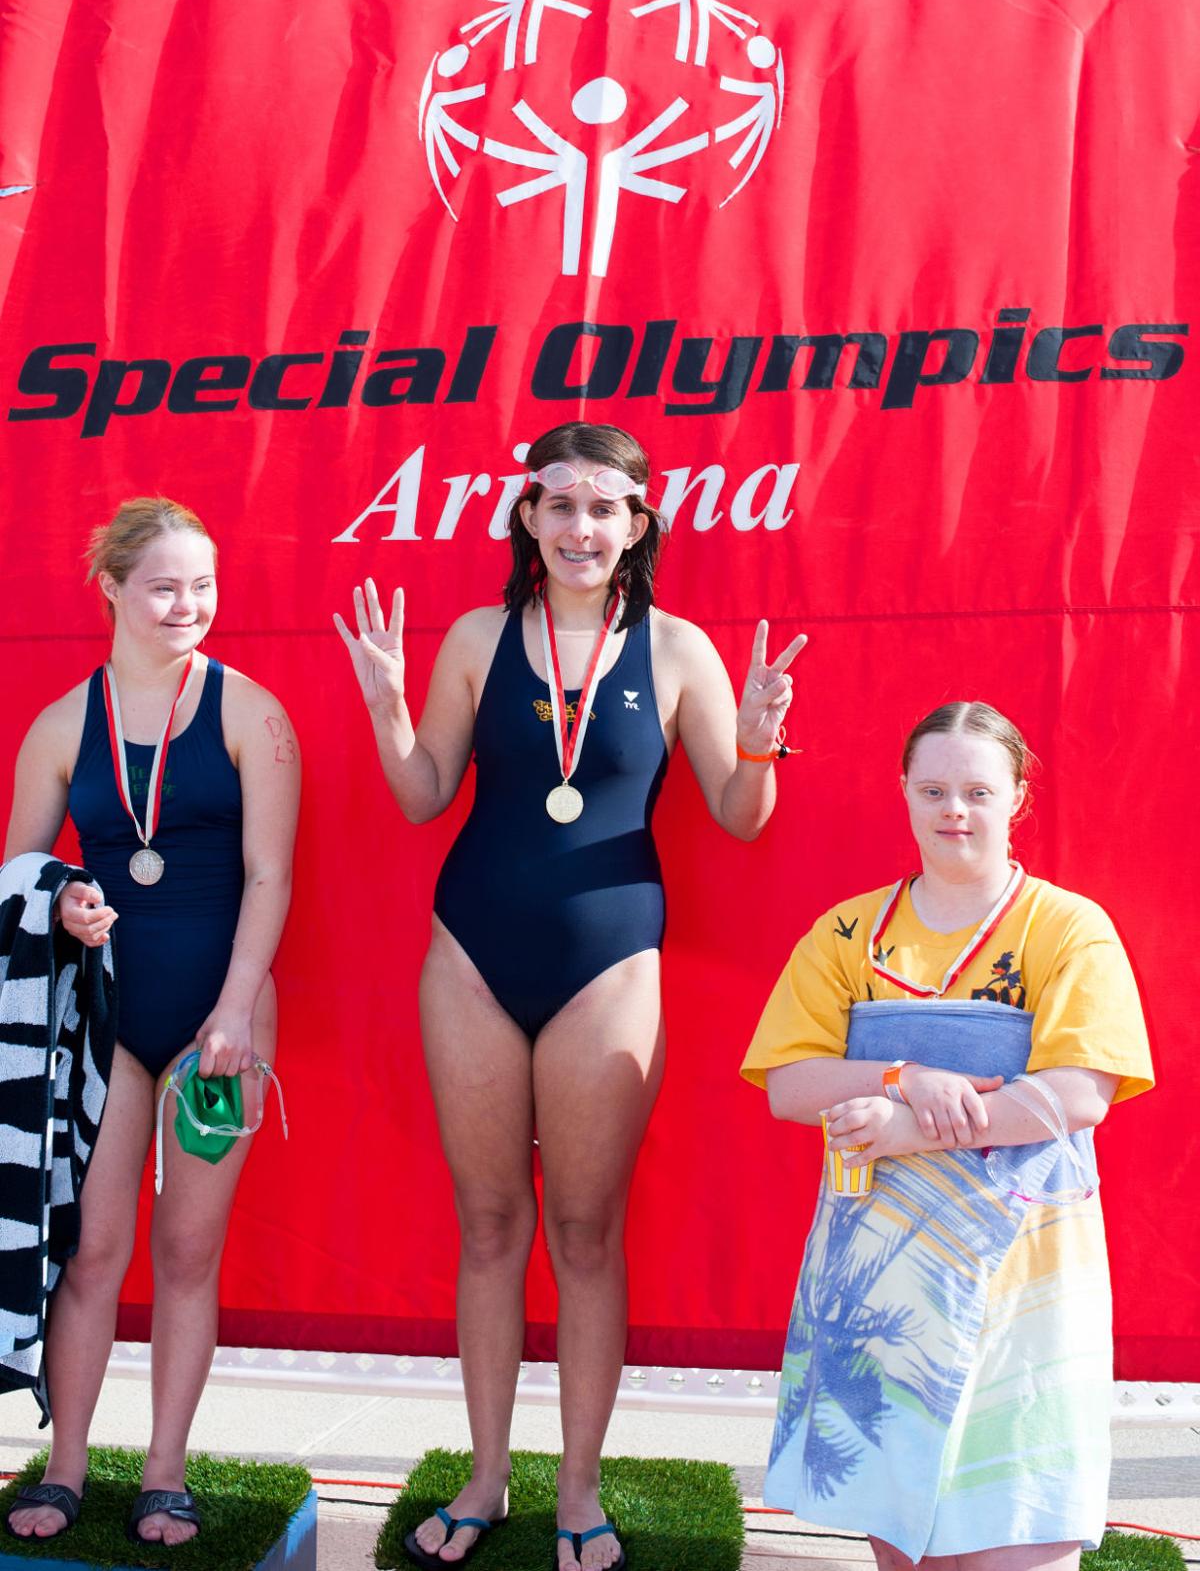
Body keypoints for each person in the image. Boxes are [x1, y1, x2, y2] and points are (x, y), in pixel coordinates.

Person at [335, 421, 806, 1571]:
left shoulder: (681, 648)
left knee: (585, 1230)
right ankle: (488, 1473)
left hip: (610, 964)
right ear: (528, 518)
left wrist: (755, 747)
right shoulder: (475, 636)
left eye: (605, 510)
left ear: (638, 523)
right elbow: (421, 795)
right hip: (472, 953)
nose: (581, 529)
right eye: (560, 507)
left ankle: (580, 1487)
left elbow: (741, 818)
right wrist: (389, 705)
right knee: (490, 1223)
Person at [741, 700, 1155, 1571]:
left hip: (1027, 1276)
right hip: (884, 1283)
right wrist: (900, 1077)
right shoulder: (848, 933)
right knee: (905, 1546)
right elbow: (787, 1081)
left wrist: (904, 1130)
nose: (954, 809)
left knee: (1019, 1525)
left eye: (976, 789)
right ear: (903, 793)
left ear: (1019, 797)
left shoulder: (1068, 927)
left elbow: (1080, 1092)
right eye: (933, 789)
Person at [3, 498, 300, 1548]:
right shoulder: (58, 724)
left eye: (204, 585)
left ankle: (164, 1470)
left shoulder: (251, 713)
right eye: (166, 585)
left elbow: (270, 875)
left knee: (188, 1249)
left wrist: (233, 1008)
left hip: (220, 1016)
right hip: (105, 1014)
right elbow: (16, 880)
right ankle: (67, 1461)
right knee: (92, 1249)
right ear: (114, 591)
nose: (189, 605)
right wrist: (63, 901)